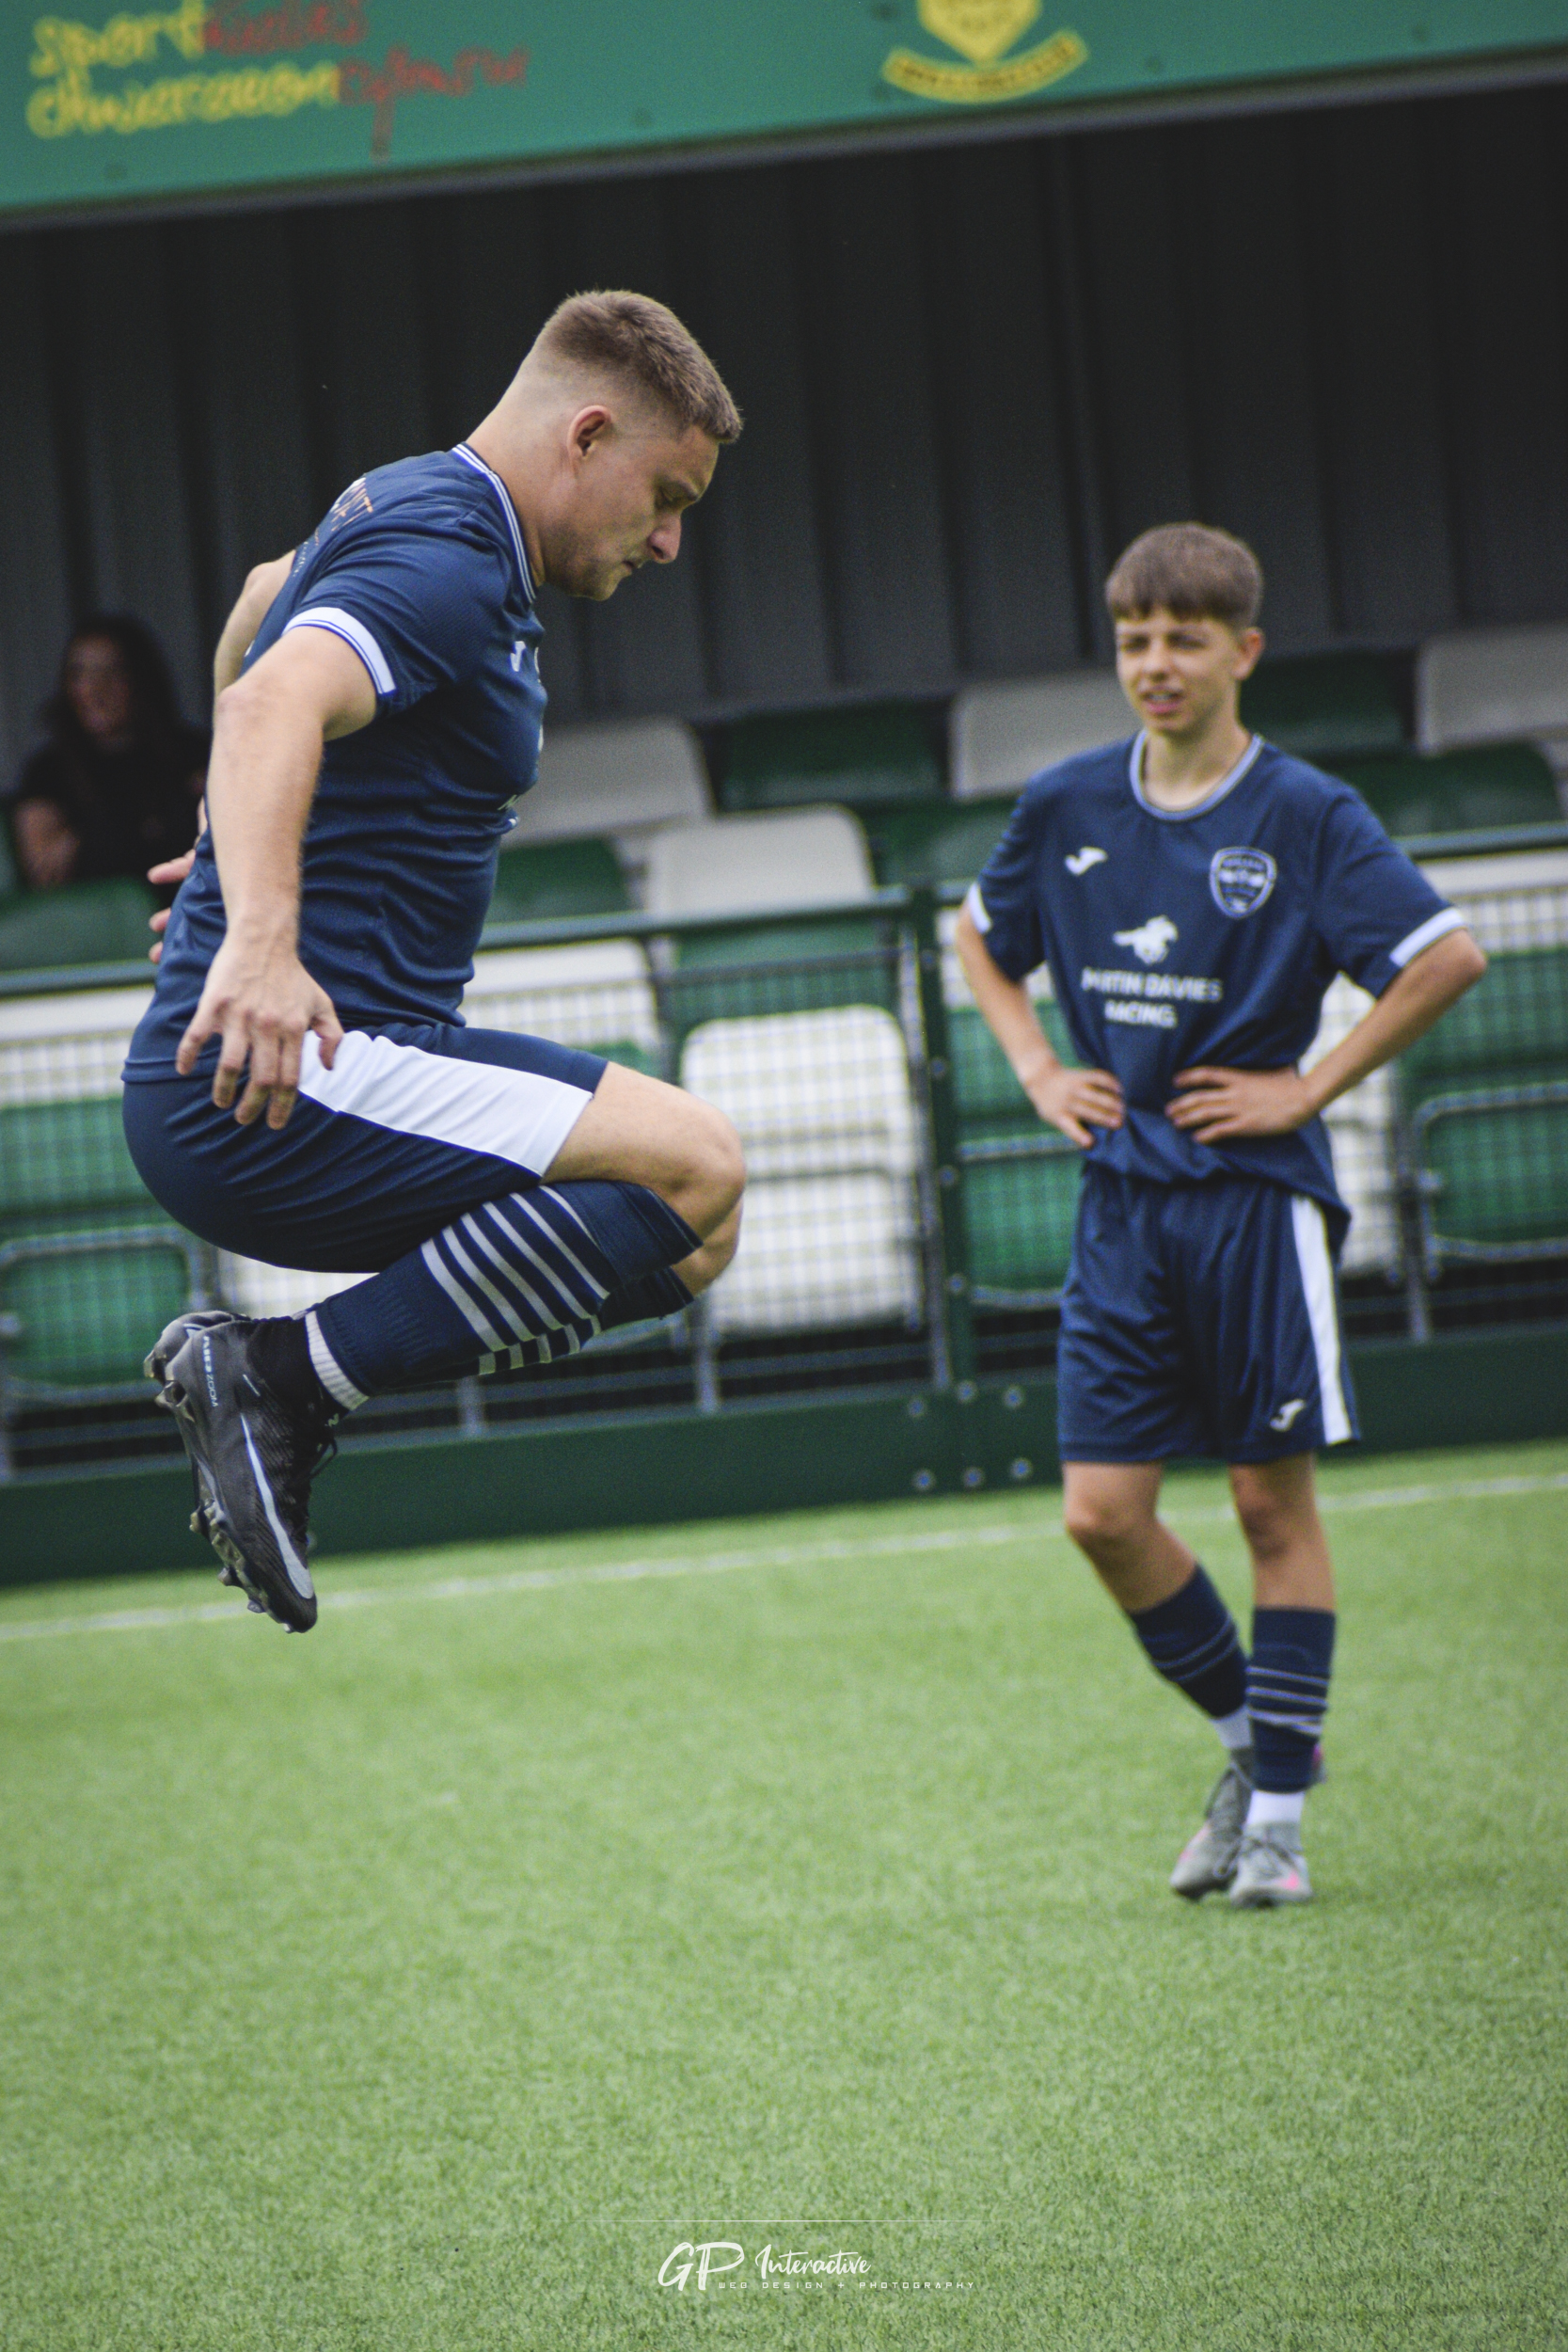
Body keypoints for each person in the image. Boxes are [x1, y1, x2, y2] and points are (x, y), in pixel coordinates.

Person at [122, 290, 747, 1636]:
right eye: (665, 493)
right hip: (284, 1077)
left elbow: (254, 608)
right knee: (697, 1163)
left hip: (318, 1072)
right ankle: (278, 1380)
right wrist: (257, 936)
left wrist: (221, 842)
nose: (671, 539)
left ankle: (288, 1377)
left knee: (696, 1236)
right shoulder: (456, 556)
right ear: (586, 434)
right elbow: (272, 692)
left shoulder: (423, 511)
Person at [956, 523, 1486, 1907]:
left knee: (1265, 1504)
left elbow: (1443, 958)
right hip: (1120, 1205)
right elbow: (978, 936)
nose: (1154, 664)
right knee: (1099, 1513)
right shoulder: (1065, 803)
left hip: (1255, 1206)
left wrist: (1302, 1089)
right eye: (1132, 638)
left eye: (1183, 638)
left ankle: (1280, 1835)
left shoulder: (1305, 813)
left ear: (1241, 652)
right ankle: (1259, 1754)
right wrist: (1028, 1064)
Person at [7, 616, 206, 892]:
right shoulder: (48, 771)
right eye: (80, 674)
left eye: (113, 672)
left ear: (140, 679)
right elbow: (44, 870)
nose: (95, 690)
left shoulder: (192, 751)